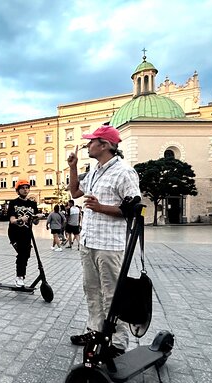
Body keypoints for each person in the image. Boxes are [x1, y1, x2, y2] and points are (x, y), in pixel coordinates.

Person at [67, 125, 141, 358]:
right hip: (89, 242)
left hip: (110, 245)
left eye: (92, 141)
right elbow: (75, 192)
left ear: (105, 145)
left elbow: (133, 209)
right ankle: (95, 331)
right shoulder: (96, 170)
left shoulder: (124, 172)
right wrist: (72, 167)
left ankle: (117, 343)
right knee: (91, 290)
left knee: (112, 295)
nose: (88, 145)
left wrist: (101, 208)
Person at [7, 180, 43, 286]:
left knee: (26, 255)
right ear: (18, 190)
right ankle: (19, 277)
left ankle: (21, 276)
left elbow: (35, 222)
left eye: (27, 187)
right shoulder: (13, 203)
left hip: (27, 233)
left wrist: (37, 218)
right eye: (23, 188)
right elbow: (12, 220)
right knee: (22, 254)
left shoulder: (32, 203)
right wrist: (20, 219)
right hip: (15, 233)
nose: (25, 189)